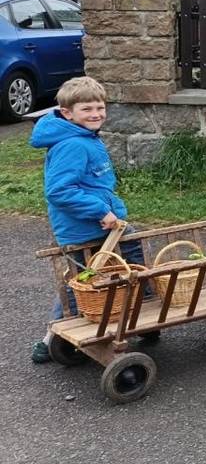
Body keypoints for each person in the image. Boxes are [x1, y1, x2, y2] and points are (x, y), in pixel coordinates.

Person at [29, 77, 150, 364]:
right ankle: (52, 339)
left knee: (130, 252)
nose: (96, 114)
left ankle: (139, 310)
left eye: (100, 107)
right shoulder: (72, 145)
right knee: (80, 281)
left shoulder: (84, 137)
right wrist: (100, 211)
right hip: (83, 228)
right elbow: (60, 191)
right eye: (87, 109)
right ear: (67, 113)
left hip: (103, 223)